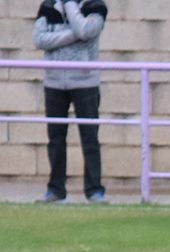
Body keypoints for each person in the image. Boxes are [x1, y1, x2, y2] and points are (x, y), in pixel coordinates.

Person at [33, 0, 108, 203]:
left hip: (85, 82)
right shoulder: (48, 6)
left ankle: (94, 190)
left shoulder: (96, 6)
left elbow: (87, 29)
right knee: (55, 140)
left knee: (90, 138)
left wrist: (69, 6)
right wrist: (76, 35)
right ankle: (56, 190)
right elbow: (39, 40)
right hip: (54, 82)